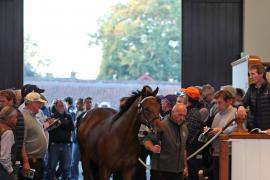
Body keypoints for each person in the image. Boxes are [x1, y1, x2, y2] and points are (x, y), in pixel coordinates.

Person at [198, 90, 237, 180]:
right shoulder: (217, 115)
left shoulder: (236, 114)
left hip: (229, 154)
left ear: (229, 101)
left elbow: (237, 131)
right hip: (216, 153)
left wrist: (220, 131)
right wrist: (208, 132)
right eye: (216, 103)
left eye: (220, 102)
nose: (217, 105)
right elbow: (213, 134)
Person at [144, 103, 188, 180]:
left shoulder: (185, 128)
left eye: (184, 116)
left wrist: (185, 167)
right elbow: (146, 140)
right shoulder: (161, 125)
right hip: (161, 171)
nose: (182, 118)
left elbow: (183, 149)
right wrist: (152, 148)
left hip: (178, 172)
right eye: (180, 115)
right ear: (172, 112)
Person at [21, 92, 48, 180]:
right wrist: (25, 162)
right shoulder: (23, 117)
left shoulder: (32, 115)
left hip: (37, 161)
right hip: (31, 161)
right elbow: (21, 143)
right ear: (32, 103)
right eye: (39, 103)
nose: (41, 105)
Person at [237, 64, 270, 132]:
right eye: (249, 74)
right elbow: (243, 102)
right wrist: (241, 106)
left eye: (253, 74)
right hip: (253, 129)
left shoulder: (269, 88)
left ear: (261, 74)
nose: (250, 77)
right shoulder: (251, 89)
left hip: (267, 130)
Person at [48, 100, 74, 180]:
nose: (61, 107)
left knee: (66, 168)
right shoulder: (51, 116)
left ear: (65, 106)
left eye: (62, 105)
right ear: (55, 107)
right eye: (59, 105)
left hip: (66, 145)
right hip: (54, 145)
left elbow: (71, 127)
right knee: (51, 168)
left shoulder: (69, 116)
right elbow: (49, 129)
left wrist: (59, 122)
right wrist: (62, 122)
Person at [0, 106, 17, 180]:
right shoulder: (8, 132)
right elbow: (4, 158)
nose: (16, 119)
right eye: (16, 117)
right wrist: (10, 171)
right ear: (11, 118)